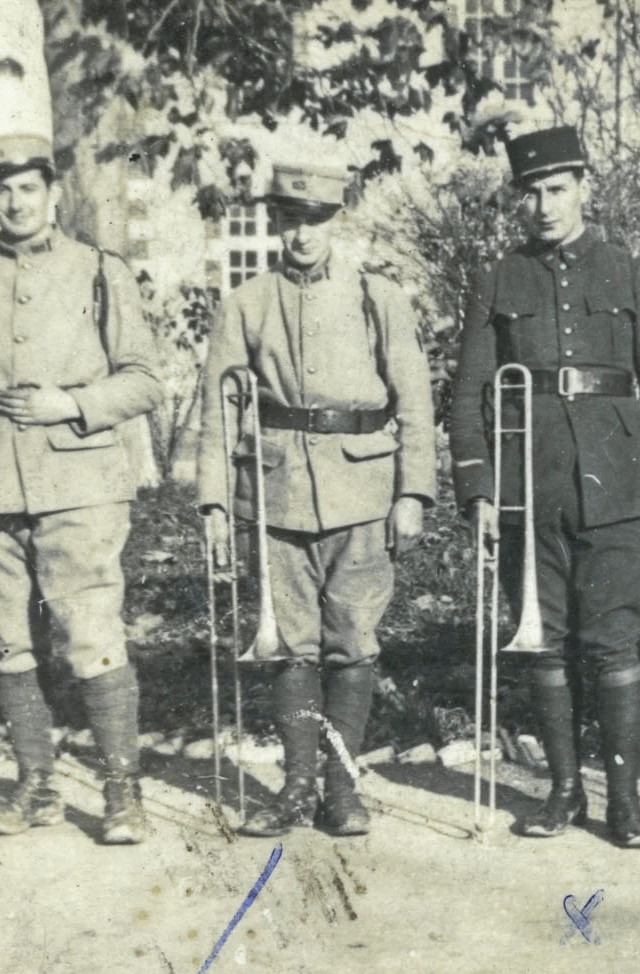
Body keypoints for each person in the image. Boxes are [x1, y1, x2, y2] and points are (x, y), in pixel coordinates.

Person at [448, 126, 640, 848]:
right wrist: (479, 490)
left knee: (613, 643)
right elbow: (466, 395)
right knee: (545, 645)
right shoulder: (500, 278)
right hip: (532, 486)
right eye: (531, 192)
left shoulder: (627, 271)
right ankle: (562, 792)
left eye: (557, 189)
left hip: (621, 483)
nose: (544, 205)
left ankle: (624, 799)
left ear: (585, 186)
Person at [0, 132, 162, 842]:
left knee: (91, 633)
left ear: (53, 193)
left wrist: (73, 405)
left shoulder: (97, 271)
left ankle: (122, 795)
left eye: (30, 187)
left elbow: (144, 379)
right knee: (7, 640)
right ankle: (36, 789)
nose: (17, 201)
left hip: (80, 480)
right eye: (3, 189)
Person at [199, 161, 437, 838]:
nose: (303, 234)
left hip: (363, 490)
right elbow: (216, 409)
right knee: (288, 647)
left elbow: (413, 399)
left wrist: (413, 490)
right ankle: (296, 788)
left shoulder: (376, 298)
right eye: (291, 219)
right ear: (275, 220)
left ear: (340, 221)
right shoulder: (246, 303)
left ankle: (342, 787)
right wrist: (214, 501)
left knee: (353, 644)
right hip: (274, 494)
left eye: (318, 220)